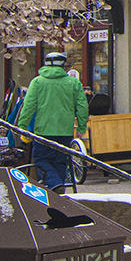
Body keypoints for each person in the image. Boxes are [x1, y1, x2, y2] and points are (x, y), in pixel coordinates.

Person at [16, 47, 89, 192]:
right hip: (65, 130)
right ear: (63, 66)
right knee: (60, 161)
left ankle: (54, 184)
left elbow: (28, 106)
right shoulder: (73, 83)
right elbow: (82, 106)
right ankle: (58, 190)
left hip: (43, 130)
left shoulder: (37, 82)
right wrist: (81, 127)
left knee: (42, 160)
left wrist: (22, 126)